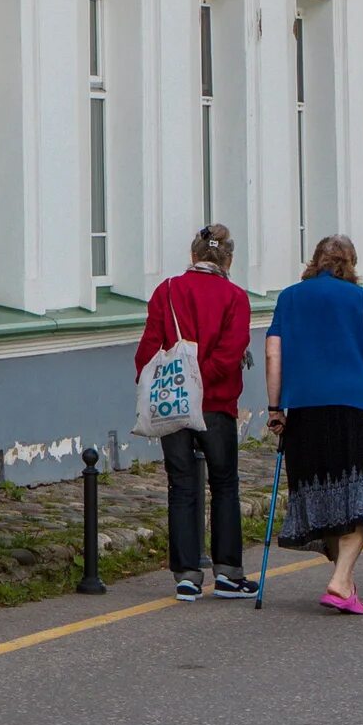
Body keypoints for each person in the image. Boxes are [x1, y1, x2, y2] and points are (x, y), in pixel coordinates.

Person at [263, 234, 363, 614]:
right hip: (362, 409)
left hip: (308, 412)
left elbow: (272, 351)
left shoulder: (289, 297)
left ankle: (344, 578)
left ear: (315, 260)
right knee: (361, 498)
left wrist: (275, 407)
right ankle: (341, 582)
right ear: (351, 263)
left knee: (322, 495)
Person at [136, 223, 255, 601]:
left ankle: (186, 575)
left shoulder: (167, 291)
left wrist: (172, 381)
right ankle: (228, 573)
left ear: (193, 255)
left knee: (181, 485)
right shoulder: (235, 297)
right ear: (228, 259)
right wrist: (203, 378)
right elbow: (231, 351)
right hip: (217, 403)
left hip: (173, 401)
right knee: (224, 484)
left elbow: (147, 351)